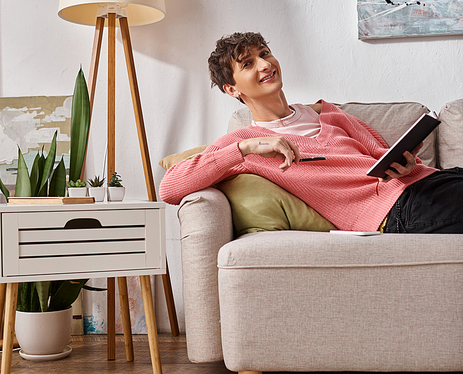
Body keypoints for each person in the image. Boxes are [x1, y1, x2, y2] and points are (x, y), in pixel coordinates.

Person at [159, 32, 463, 233]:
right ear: (232, 88)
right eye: (249, 63)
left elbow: (380, 155)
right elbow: (170, 188)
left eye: (265, 54)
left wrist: (405, 163)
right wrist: (246, 149)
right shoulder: (243, 144)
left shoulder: (328, 112)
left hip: (427, 183)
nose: (265, 64)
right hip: (394, 211)